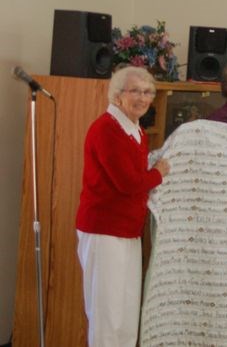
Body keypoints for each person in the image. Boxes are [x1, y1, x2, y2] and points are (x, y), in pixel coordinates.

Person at [75, 66, 170, 347]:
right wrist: (159, 173)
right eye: (135, 91)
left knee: (127, 311)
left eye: (147, 92)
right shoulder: (107, 128)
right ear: (117, 96)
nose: (142, 98)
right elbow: (128, 183)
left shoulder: (136, 131)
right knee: (107, 314)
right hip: (104, 231)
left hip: (127, 232)